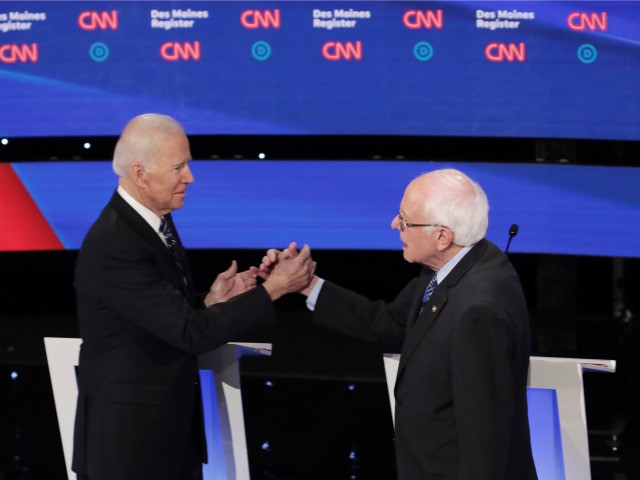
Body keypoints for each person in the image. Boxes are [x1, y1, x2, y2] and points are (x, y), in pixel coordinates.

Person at [72, 113, 314, 480]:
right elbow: (190, 333)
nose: (190, 177)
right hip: (130, 449)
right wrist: (274, 288)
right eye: (178, 167)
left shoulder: (152, 222)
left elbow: (158, 316)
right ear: (140, 173)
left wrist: (211, 303)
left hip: (163, 436)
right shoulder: (117, 242)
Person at [261, 169, 538, 480]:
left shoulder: (477, 310)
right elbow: (389, 322)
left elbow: (485, 432)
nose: (395, 225)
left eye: (405, 221)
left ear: (442, 235)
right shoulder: (457, 263)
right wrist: (307, 285)